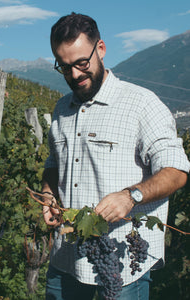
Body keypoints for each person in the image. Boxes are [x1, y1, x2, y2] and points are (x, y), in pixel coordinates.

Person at [41, 12, 190, 300]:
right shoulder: (61, 109)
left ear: (101, 49)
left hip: (121, 263)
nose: (74, 75)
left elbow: (176, 171)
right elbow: (53, 164)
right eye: (64, 66)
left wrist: (129, 196)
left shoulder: (142, 104)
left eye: (82, 63)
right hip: (66, 257)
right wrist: (48, 194)